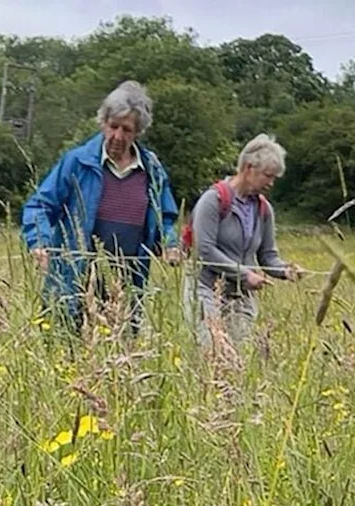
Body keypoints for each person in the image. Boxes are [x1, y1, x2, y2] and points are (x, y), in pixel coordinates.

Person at [21, 80, 179, 334]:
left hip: (126, 285)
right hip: (75, 283)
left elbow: (166, 218)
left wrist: (170, 244)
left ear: (138, 131)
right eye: (113, 126)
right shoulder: (77, 162)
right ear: (103, 123)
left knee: (119, 362)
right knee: (67, 352)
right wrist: (39, 241)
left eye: (126, 129)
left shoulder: (152, 170)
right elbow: (39, 205)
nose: (118, 136)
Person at [187, 134, 304, 350]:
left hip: (241, 297)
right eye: (267, 175)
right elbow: (205, 250)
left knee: (240, 359)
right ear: (248, 168)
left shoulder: (263, 209)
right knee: (213, 354)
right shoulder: (213, 201)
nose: (271, 183)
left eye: (274, 178)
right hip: (207, 291)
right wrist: (245, 274)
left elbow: (268, 256)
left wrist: (285, 270)